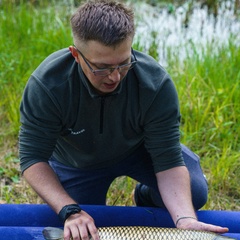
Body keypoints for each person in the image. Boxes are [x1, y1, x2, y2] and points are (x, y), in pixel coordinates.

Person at [19, 1, 228, 239]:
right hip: (75, 162)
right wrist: (70, 210)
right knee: (82, 227)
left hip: (139, 151)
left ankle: (146, 196)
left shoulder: (155, 84)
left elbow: (168, 161)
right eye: (102, 67)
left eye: (123, 63)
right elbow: (32, 158)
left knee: (194, 192)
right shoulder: (47, 85)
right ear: (76, 55)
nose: (115, 76)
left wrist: (185, 219)